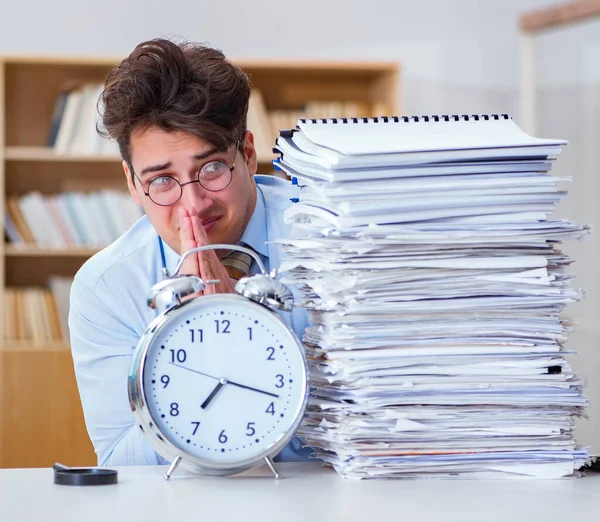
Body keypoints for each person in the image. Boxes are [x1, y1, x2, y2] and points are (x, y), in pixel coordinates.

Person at [69, 38, 310, 466]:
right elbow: (121, 463)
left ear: (249, 155)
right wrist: (206, 344)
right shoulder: (107, 287)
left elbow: (369, 425)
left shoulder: (335, 245)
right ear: (132, 184)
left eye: (211, 168)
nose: (193, 204)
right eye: (162, 180)